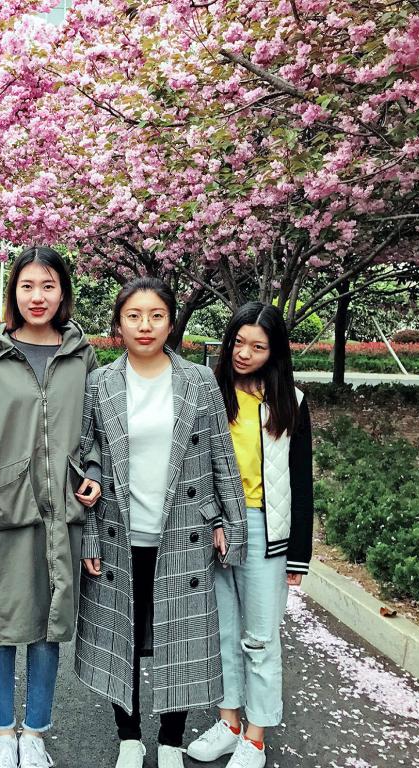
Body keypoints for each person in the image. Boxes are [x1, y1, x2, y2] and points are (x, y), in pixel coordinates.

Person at [73, 277, 248, 768]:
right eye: (134, 316)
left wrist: (230, 524)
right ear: (119, 324)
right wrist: (88, 533)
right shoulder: (100, 383)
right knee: (121, 635)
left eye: (155, 316)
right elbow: (86, 458)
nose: (145, 325)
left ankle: (171, 739)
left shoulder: (199, 380)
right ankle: (129, 736)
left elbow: (221, 457)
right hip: (119, 531)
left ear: (171, 323)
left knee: (180, 636)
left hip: (183, 531)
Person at [0, 246, 102, 768]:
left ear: (63, 292)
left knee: (51, 619)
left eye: (48, 285)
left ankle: (35, 732)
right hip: (1, 505)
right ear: (14, 291)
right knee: (2, 619)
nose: (38, 296)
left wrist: (93, 474)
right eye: (28, 285)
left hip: (63, 507)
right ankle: (2, 730)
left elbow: (96, 432)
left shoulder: (81, 354)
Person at [186, 302, 313, 768]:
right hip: (213, 525)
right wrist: (210, 520)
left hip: (264, 529)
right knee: (221, 632)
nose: (244, 353)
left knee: (259, 638)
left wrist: (299, 555)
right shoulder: (208, 392)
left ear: (274, 352)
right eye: (238, 342)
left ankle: (255, 738)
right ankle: (229, 722)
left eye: (257, 347)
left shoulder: (291, 402)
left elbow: (301, 480)